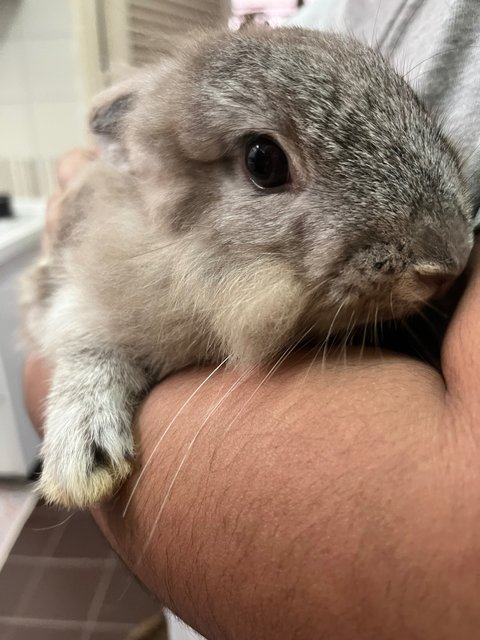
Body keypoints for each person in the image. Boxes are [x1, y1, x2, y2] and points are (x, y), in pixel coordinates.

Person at [24, 1, 480, 638]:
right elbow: (61, 306)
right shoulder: (139, 253)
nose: (448, 259)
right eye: (268, 164)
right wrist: (91, 361)